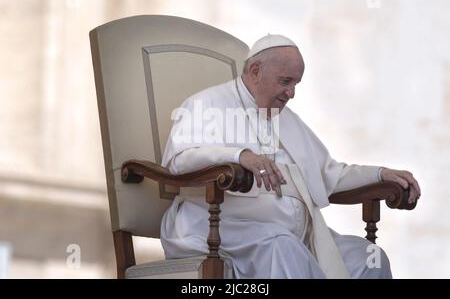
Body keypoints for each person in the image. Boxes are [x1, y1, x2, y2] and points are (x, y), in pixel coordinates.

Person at [160, 34, 421, 278]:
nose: (291, 93)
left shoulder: (286, 118)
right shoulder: (206, 105)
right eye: (285, 82)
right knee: (282, 247)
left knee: (369, 257)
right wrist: (240, 156)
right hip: (221, 228)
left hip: (297, 236)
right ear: (255, 72)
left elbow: (329, 173)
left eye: (295, 84)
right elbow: (179, 162)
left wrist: (380, 174)